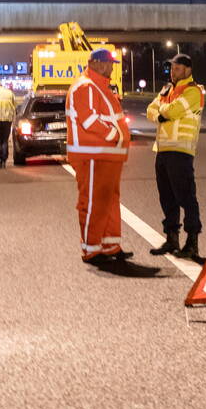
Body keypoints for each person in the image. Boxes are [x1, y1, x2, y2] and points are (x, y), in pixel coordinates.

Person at [66, 49, 133, 264]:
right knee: (94, 202)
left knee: (109, 201)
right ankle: (92, 249)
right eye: (108, 63)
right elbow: (89, 119)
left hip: (107, 155)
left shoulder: (99, 86)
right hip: (93, 154)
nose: (111, 67)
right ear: (95, 63)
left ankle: (110, 245)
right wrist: (114, 135)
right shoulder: (86, 86)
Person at [147, 54, 205, 260]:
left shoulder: (193, 91)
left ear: (188, 70)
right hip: (162, 151)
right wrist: (162, 112)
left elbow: (173, 111)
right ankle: (172, 239)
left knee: (186, 198)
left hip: (181, 151)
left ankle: (192, 242)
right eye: (172, 68)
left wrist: (163, 111)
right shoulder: (167, 89)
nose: (173, 72)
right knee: (167, 198)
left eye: (178, 68)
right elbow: (150, 110)